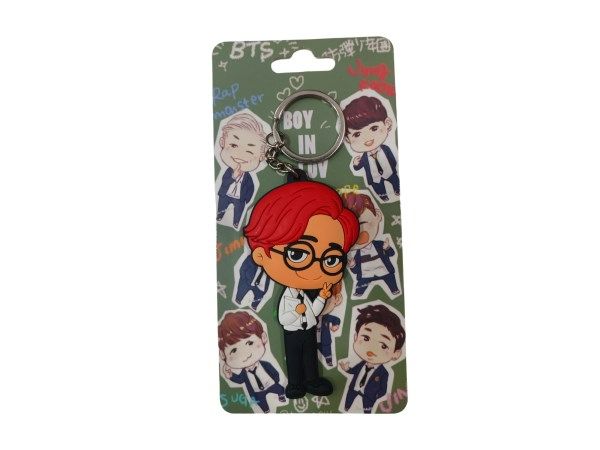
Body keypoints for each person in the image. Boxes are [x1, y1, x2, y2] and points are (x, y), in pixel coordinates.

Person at [244, 181, 359, 399]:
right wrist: (296, 311)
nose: (316, 269)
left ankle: (312, 380)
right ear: (260, 254)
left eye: (331, 259)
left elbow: (313, 312)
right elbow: (284, 318)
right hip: (292, 333)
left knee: (310, 356)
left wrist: (321, 297)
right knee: (294, 358)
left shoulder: (306, 295)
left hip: (308, 330)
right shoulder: (289, 296)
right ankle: (295, 383)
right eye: (298, 254)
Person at [339, 304, 405, 413]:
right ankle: (346, 407)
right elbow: (354, 371)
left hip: (369, 397)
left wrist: (375, 395)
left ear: (396, 353)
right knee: (348, 404)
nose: (372, 348)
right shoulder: (361, 364)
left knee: (368, 411)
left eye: (383, 345)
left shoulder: (384, 373)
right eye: (366, 338)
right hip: (354, 389)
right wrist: (347, 369)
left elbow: (383, 390)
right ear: (356, 337)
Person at [218, 311, 286, 413]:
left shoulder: (264, 364)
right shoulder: (244, 374)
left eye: (250, 343)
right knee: (261, 402)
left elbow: (272, 371)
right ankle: (266, 410)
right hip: (257, 392)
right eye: (234, 350)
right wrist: (230, 376)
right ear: (223, 355)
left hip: (271, 384)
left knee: (279, 388)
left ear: (263, 337)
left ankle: (281, 396)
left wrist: (276, 379)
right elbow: (240, 380)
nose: (245, 353)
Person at [341, 192, 401, 297]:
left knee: (390, 279)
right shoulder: (356, 255)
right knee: (361, 283)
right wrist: (353, 265)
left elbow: (391, 254)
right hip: (366, 275)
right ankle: (359, 292)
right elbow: (356, 270)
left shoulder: (379, 244)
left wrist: (387, 248)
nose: (358, 234)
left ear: (377, 217)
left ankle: (394, 289)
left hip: (384, 270)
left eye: (362, 224)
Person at [343, 96, 399, 201]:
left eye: (374, 128)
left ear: (387, 124)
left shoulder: (386, 149)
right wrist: (356, 164)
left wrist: (393, 166)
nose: (366, 138)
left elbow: (393, 159)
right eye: (357, 134)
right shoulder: (364, 158)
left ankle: (397, 190)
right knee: (378, 188)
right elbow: (358, 167)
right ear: (347, 139)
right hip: (374, 178)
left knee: (395, 180)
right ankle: (383, 196)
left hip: (390, 172)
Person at [216, 113, 266, 229]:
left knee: (238, 211)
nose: (240, 154)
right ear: (222, 142)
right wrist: (233, 176)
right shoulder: (228, 172)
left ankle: (236, 222)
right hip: (225, 195)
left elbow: (250, 187)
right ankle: (219, 215)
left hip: (240, 198)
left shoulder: (248, 177)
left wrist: (246, 200)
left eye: (249, 151)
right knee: (221, 206)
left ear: (261, 156)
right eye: (234, 145)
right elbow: (224, 181)